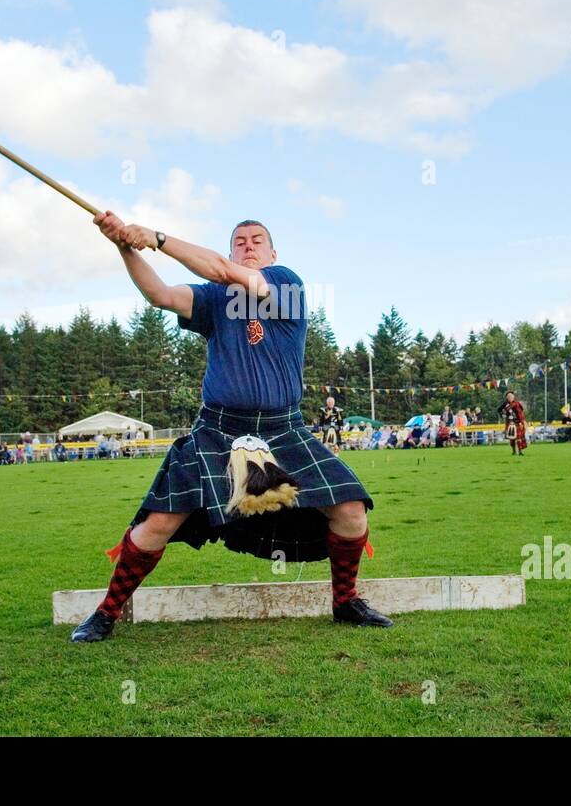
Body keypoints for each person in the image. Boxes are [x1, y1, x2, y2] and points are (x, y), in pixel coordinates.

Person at [69, 214, 389, 642]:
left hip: (283, 429)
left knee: (350, 510)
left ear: (272, 255)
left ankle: (345, 601)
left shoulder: (286, 286)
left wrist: (157, 239)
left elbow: (220, 268)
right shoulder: (216, 298)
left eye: (257, 241)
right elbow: (160, 294)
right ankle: (106, 614)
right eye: (240, 242)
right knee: (159, 523)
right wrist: (124, 245)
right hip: (218, 429)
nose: (249, 246)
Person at [497, 390, 528, 456]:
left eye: (511, 396)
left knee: (518, 437)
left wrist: (521, 422)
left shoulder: (517, 404)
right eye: (509, 396)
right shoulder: (505, 404)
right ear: (507, 398)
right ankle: (514, 451)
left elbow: (520, 413)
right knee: (512, 438)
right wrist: (503, 415)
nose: (510, 397)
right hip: (510, 423)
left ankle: (520, 452)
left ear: (513, 397)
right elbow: (498, 410)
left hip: (517, 422)